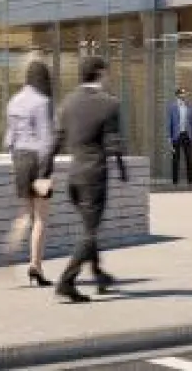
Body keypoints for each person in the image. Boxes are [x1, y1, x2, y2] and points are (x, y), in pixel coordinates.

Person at [53, 56, 128, 303]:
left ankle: (98, 274)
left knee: (89, 229)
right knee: (89, 232)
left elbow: (56, 141)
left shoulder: (67, 102)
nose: (109, 77)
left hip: (73, 177)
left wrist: (42, 175)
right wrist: (121, 167)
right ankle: (67, 281)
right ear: (99, 73)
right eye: (106, 73)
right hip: (93, 176)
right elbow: (113, 143)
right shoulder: (109, 104)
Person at [3, 59, 57, 287]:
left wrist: (16, 160)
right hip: (37, 161)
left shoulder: (14, 101)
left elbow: (9, 140)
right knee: (41, 218)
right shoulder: (42, 102)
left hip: (20, 159)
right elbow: (46, 141)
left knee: (25, 215)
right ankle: (35, 265)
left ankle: (8, 253)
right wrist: (46, 173)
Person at [166, 87, 192, 187]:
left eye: (185, 93)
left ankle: (190, 182)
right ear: (178, 95)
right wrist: (169, 139)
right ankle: (175, 182)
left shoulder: (189, 107)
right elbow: (169, 123)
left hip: (187, 135)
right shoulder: (172, 107)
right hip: (176, 136)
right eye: (183, 94)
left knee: (190, 159)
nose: (184, 95)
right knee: (175, 160)